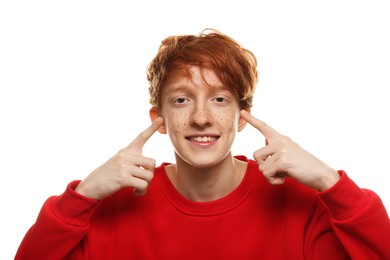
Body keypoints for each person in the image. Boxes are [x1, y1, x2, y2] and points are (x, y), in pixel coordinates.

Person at [15, 29, 390, 260]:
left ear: (243, 115)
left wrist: (330, 182)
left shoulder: (303, 207)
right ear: (157, 119)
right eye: (181, 99)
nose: (200, 117)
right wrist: (83, 195)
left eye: (220, 99)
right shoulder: (111, 212)